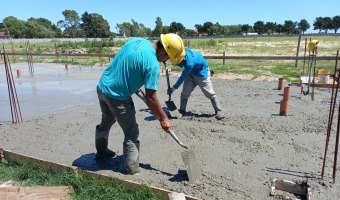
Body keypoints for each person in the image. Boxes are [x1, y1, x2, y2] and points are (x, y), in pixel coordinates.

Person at [95, 33, 185, 175]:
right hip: (117, 97)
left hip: (102, 87)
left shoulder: (137, 41)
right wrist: (163, 118)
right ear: (162, 51)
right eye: (167, 57)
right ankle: (132, 170)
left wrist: (132, 79)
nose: (165, 61)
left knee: (107, 120)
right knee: (131, 133)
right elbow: (151, 98)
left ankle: (101, 152)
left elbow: (125, 59)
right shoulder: (153, 65)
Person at [167, 47, 224, 120]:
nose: (178, 65)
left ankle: (218, 111)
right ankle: (182, 110)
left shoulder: (189, 63)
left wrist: (173, 88)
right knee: (185, 93)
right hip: (191, 73)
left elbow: (182, 77)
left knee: (209, 93)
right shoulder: (182, 50)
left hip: (201, 73)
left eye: (178, 64)